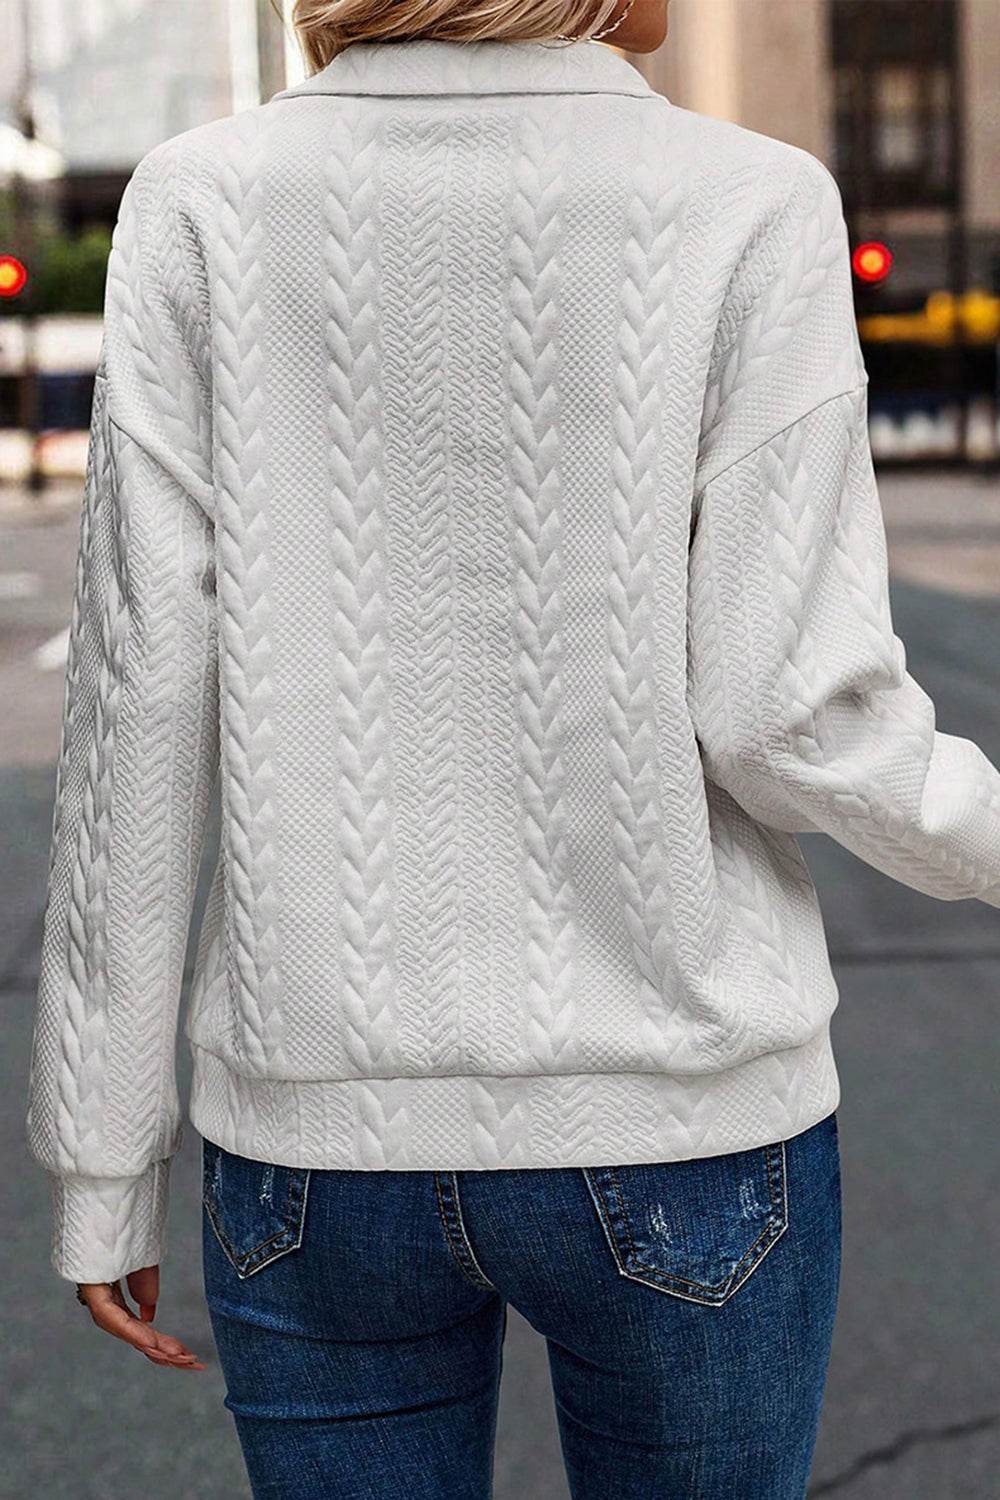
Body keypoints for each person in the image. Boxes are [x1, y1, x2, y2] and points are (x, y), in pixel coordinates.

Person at [24, 1, 1000, 1496]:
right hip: (682, 1126)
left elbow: (137, 699)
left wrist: (102, 1160)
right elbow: (793, 715)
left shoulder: (201, 200)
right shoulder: (751, 203)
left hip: (313, 1144)